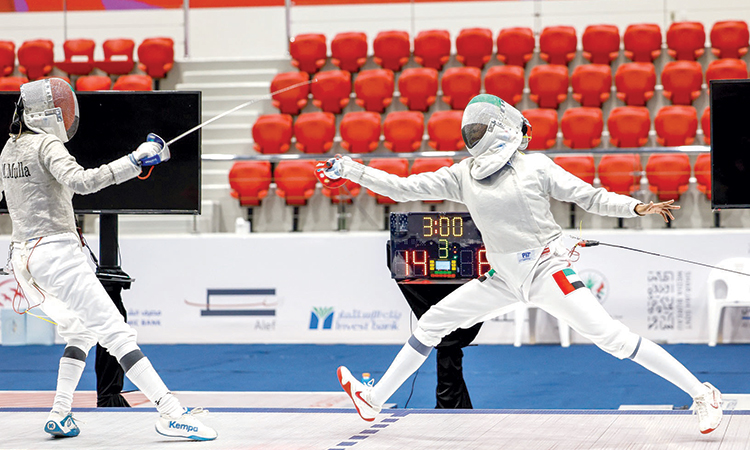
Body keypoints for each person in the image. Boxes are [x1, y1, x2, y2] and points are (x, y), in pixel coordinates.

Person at [318, 93, 723, 434]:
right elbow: (402, 188)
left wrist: (635, 206)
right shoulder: (463, 175)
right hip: (503, 278)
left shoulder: (536, 166)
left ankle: (702, 393)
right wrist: (352, 169)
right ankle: (373, 400)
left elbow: (590, 197)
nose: (474, 133)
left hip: (547, 271)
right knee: (432, 323)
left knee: (612, 338)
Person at [1, 78, 217, 441]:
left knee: (80, 329)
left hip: (23, 262)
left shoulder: (9, 149)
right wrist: (134, 161)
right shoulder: (46, 143)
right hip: (56, 256)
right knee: (115, 331)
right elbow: (83, 182)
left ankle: (60, 413)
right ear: (47, 114)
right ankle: (171, 411)